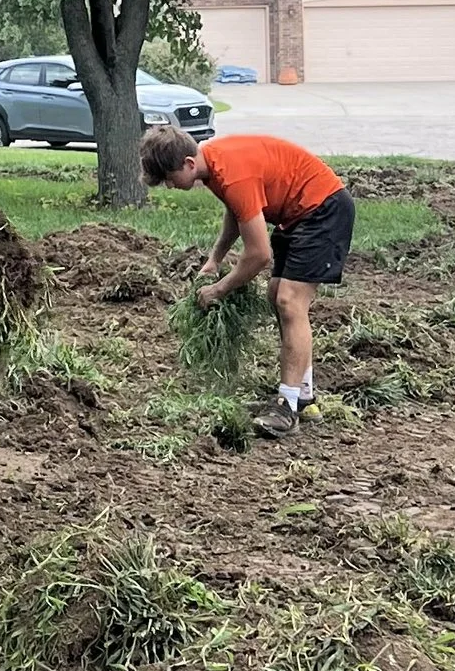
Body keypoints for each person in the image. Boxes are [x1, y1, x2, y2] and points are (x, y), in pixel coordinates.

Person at [141, 122, 356, 437]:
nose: (170, 187)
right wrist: (215, 260)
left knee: (289, 301)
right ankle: (304, 396)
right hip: (296, 215)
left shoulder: (232, 173)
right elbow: (238, 211)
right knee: (275, 294)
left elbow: (259, 255)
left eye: (170, 179)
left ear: (188, 164)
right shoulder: (211, 164)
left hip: (322, 210)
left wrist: (220, 288)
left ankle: (287, 406)